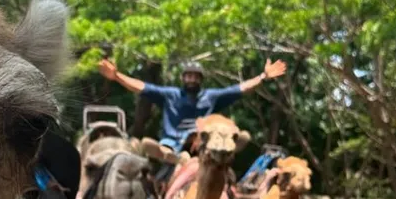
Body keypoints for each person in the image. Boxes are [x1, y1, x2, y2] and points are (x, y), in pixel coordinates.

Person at [97, 58, 288, 154]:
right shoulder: (170, 95)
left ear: (201, 80)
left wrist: (263, 77)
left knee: (232, 139)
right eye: (188, 76)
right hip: (171, 144)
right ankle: (165, 156)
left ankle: (228, 149)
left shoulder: (211, 96)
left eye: (196, 77)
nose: (192, 79)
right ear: (183, 78)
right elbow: (141, 87)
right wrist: (117, 76)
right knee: (159, 153)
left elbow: (239, 89)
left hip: (204, 145)